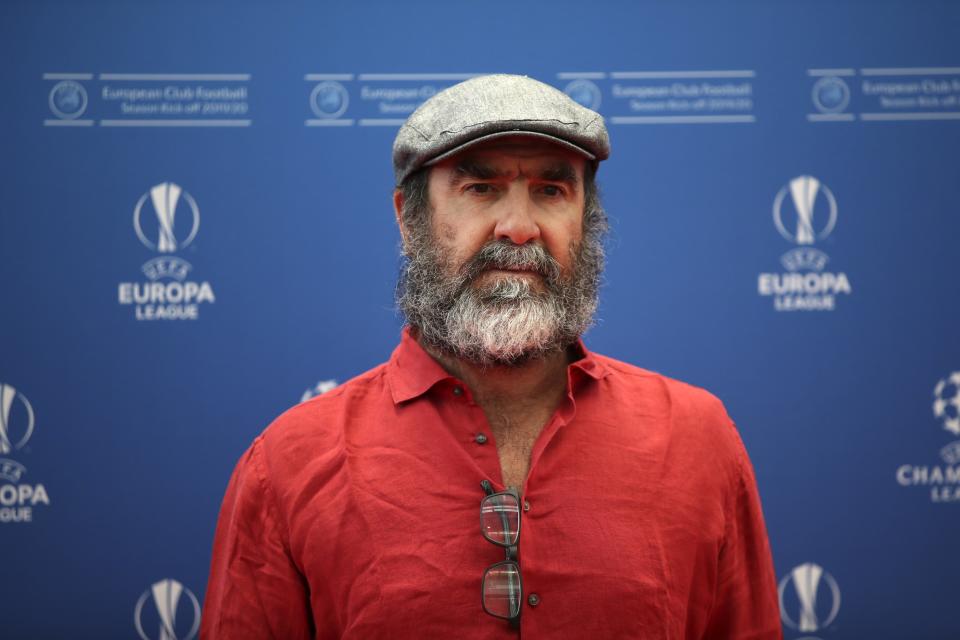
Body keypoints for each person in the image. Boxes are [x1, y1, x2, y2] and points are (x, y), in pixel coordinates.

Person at [201, 74, 782, 639]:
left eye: (551, 192)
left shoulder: (697, 437)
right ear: (409, 218)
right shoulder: (287, 464)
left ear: (586, 220)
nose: (519, 227)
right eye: (481, 190)